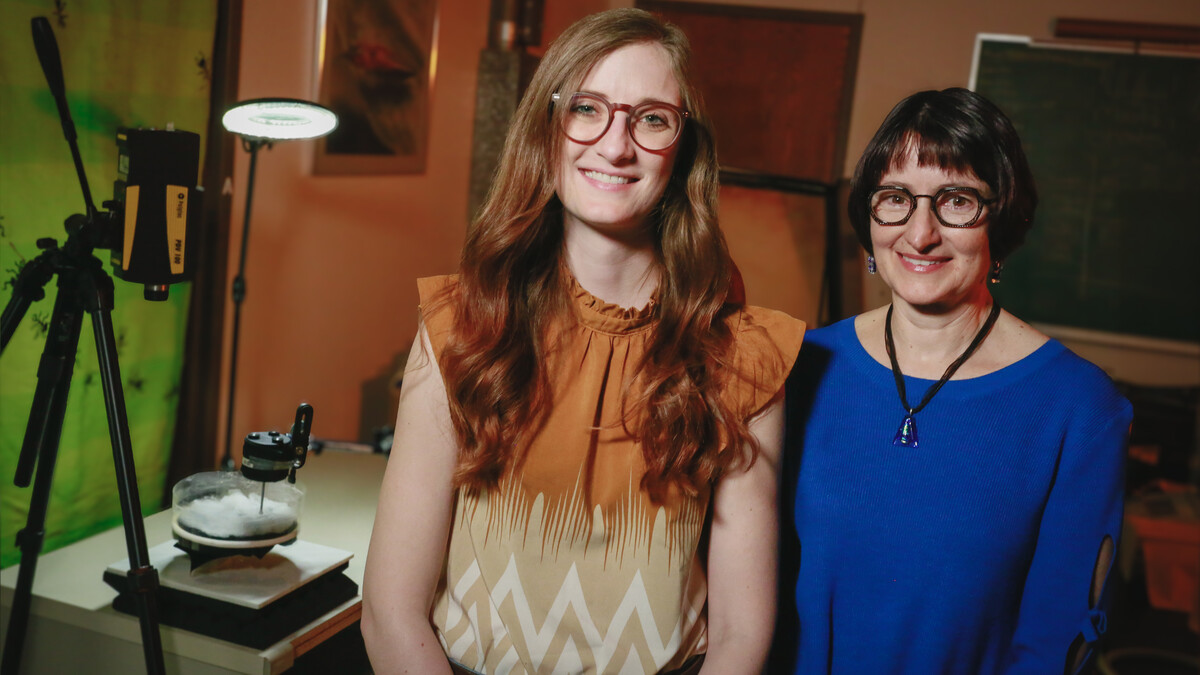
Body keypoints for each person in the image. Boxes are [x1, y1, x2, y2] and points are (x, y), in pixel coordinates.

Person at [361, 9, 805, 675]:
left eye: (652, 118)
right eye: (588, 108)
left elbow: (741, 634)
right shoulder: (459, 324)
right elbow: (391, 608)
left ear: (682, 146)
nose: (615, 144)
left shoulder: (744, 358)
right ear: (549, 126)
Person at [774, 88, 1132, 675]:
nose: (920, 234)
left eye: (956, 200)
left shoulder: (1078, 407)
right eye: (894, 198)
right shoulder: (796, 365)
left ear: (1003, 216)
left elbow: (1055, 640)